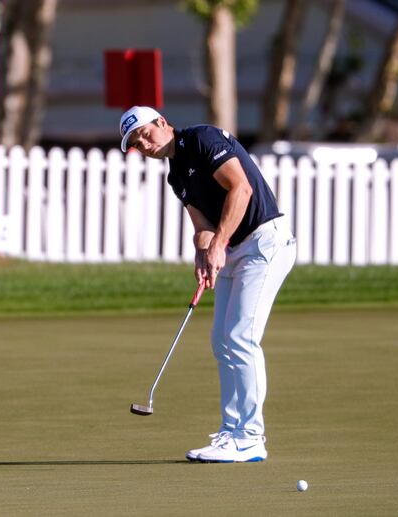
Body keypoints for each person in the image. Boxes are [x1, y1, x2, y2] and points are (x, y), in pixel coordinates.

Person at [119, 106, 296, 463]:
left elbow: (241, 189)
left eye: (144, 133)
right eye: (135, 142)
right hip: (234, 251)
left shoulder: (202, 139)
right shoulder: (176, 177)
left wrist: (218, 246)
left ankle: (250, 436)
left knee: (240, 338)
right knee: (222, 340)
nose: (143, 143)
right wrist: (204, 253)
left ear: (162, 123)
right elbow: (202, 225)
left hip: (264, 243)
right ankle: (232, 433)